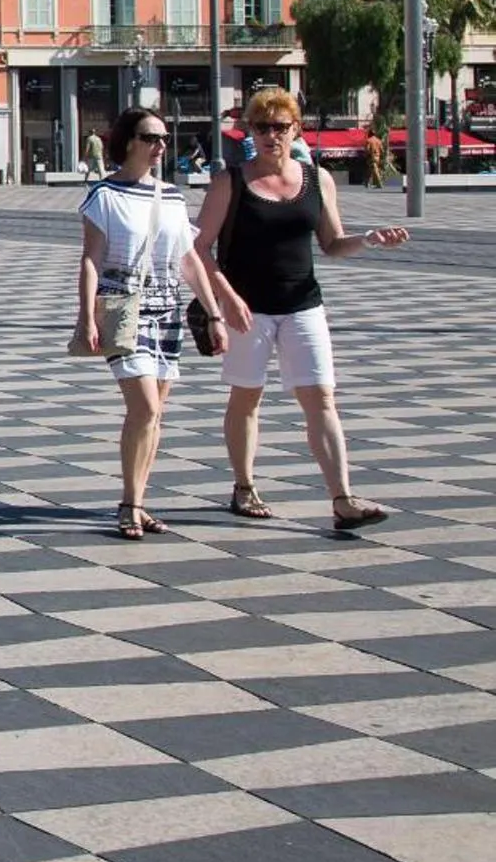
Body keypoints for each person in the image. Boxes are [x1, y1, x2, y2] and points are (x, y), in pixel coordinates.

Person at [194, 85, 409, 531]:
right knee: (246, 397)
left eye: (280, 126)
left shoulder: (319, 179)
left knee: (321, 398)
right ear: (249, 130)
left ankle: (343, 498)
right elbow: (198, 248)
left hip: (303, 303)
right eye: (261, 127)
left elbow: (331, 243)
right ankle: (244, 485)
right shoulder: (230, 181)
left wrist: (368, 239)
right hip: (248, 308)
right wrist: (225, 299)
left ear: (296, 129)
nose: (271, 135)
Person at [76, 108, 226, 541]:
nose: (161, 145)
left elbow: (188, 259)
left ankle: (138, 501)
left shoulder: (172, 197)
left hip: (167, 314)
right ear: (129, 142)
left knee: (155, 416)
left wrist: (213, 311)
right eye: (151, 137)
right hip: (124, 312)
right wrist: (87, 316)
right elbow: (92, 259)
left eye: (164, 137)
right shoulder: (105, 195)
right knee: (145, 408)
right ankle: (129, 504)